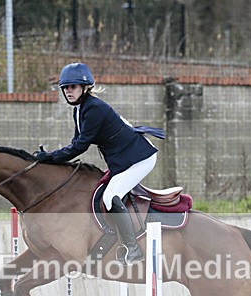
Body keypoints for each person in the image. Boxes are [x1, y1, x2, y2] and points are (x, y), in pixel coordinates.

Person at [34, 62, 164, 266]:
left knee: (112, 196)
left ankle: (133, 248)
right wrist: (52, 157)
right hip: (124, 159)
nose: (68, 91)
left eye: (73, 87)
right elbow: (76, 143)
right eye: (65, 88)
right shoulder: (80, 109)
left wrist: (50, 158)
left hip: (140, 159)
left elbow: (79, 147)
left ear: (85, 88)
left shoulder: (93, 109)